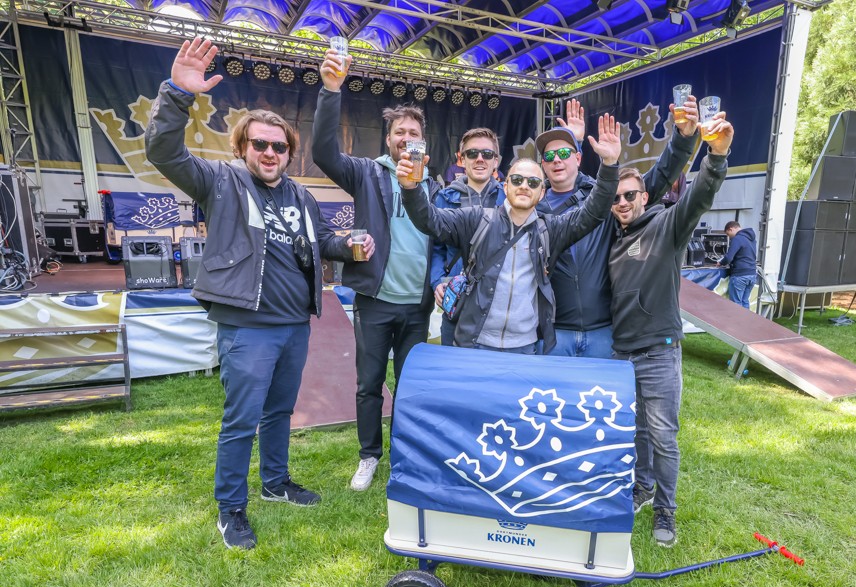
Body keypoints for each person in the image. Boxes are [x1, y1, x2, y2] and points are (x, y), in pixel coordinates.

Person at [144, 37, 368, 550]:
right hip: (246, 327)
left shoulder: (301, 196)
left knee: (278, 413)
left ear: (290, 151)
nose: (270, 153)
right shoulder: (219, 182)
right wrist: (179, 92)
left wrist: (347, 245)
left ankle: (275, 483)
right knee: (241, 419)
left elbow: (315, 244)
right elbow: (163, 150)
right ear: (243, 148)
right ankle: (231, 509)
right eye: (260, 145)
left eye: (279, 146)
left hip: (294, 326)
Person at [312, 48, 441, 493]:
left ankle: (407, 455)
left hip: (417, 306)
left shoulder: (435, 184)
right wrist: (332, 91)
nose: (406, 137)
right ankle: (369, 456)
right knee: (369, 384)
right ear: (388, 139)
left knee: (410, 386)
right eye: (399, 132)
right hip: (375, 301)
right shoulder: (366, 173)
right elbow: (324, 152)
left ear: (424, 140)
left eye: (414, 132)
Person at [607, 111, 734, 548]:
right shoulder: (612, 236)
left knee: (663, 436)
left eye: (630, 195)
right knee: (636, 432)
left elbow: (699, 195)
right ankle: (641, 488)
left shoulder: (667, 225)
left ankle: (666, 510)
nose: (623, 202)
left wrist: (716, 155)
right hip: (621, 353)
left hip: (659, 352)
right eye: (617, 197)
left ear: (645, 196)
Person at [396, 114, 623, 353]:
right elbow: (430, 221)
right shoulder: (477, 219)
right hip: (476, 342)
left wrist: (608, 165)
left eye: (533, 182)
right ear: (506, 186)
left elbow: (593, 212)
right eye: (517, 180)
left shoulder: (550, 228)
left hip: (524, 347)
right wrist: (410, 188)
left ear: (542, 193)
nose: (525, 186)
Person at [535, 97, 700, 358]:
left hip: (603, 330)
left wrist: (683, 137)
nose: (557, 160)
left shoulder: (607, 196)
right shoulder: (534, 211)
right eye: (550, 155)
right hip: (556, 332)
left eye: (565, 153)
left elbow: (657, 179)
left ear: (578, 158)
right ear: (543, 163)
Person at [430, 128, 506, 346]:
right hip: (458, 305)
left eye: (487, 154)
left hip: (497, 307)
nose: (480, 159)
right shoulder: (444, 198)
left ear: (496, 161)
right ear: (462, 160)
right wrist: (437, 282)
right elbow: (436, 248)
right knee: (454, 375)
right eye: (472, 154)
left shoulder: (509, 198)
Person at [717, 220, 757, 309]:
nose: (729, 237)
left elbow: (728, 258)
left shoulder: (737, 238)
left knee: (736, 305)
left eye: (728, 234)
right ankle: (746, 322)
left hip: (740, 275)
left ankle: (736, 323)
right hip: (752, 274)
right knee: (745, 302)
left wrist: (720, 262)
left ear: (731, 229)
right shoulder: (752, 239)